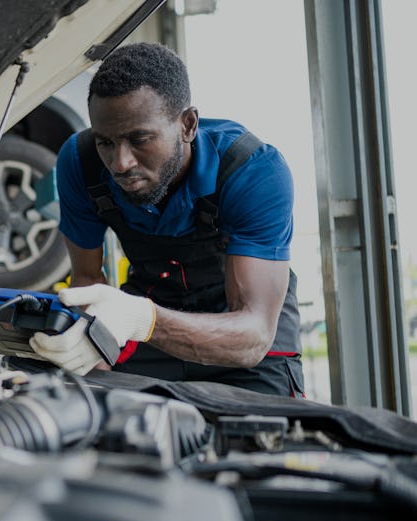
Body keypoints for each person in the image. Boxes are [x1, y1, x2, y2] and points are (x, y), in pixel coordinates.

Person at [29, 42, 304, 397]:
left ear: (188, 124)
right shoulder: (79, 162)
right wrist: (85, 357)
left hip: (244, 344)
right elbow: (86, 278)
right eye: (106, 142)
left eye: (139, 139)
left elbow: (252, 337)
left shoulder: (252, 169)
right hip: (145, 327)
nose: (120, 163)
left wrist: (143, 319)